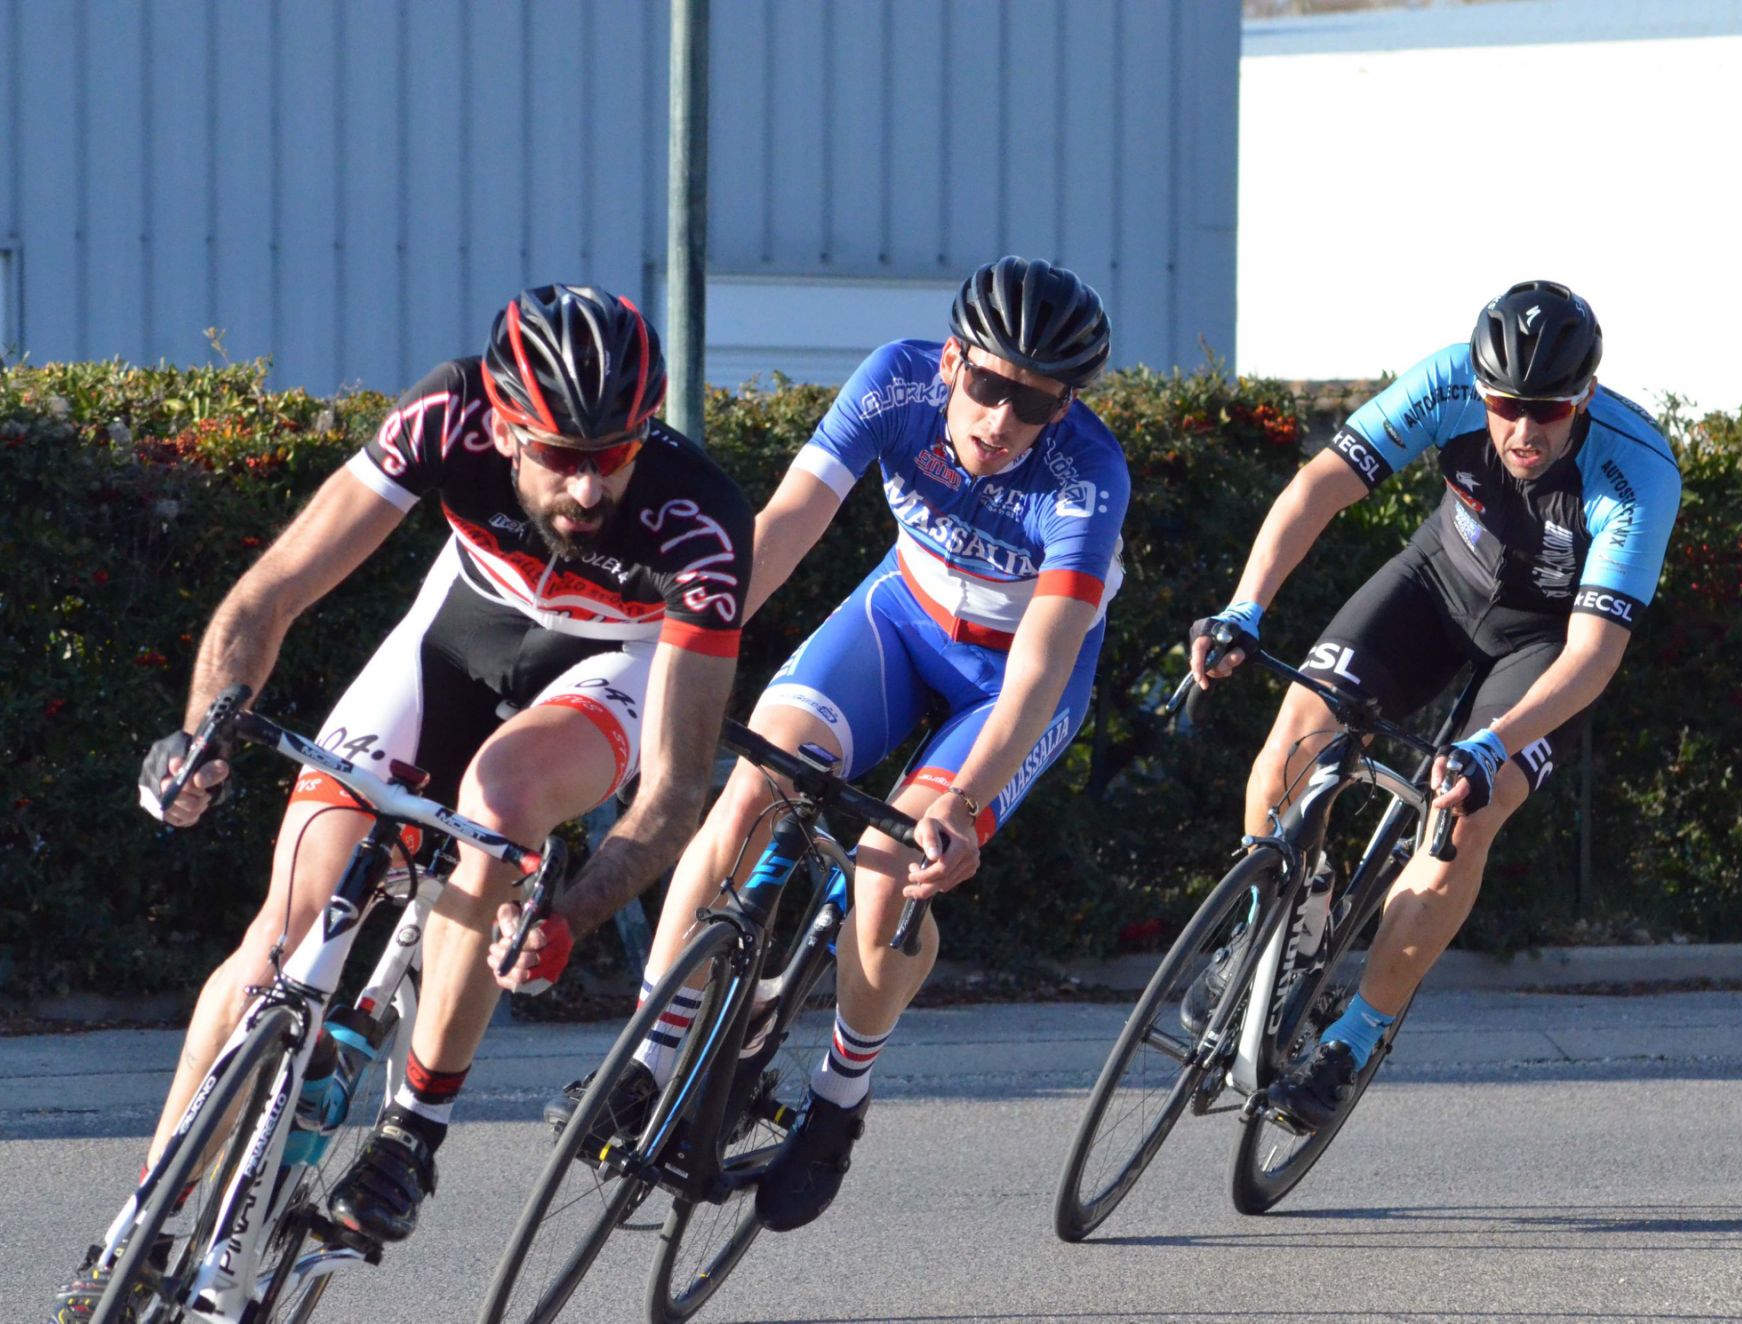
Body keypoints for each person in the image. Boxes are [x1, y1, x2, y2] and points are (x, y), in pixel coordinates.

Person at [53, 286, 753, 1321]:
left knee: (500, 800)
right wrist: (203, 733)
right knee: (279, 942)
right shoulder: (445, 414)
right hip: (455, 634)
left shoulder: (699, 520)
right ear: (502, 425)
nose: (590, 483)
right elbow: (272, 591)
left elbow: (678, 786)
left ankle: (413, 1128)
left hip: (611, 665)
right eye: (561, 454)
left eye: (615, 452)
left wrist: (569, 913)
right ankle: (144, 1227)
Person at [512, 256, 1128, 1233]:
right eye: (987, 384)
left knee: (889, 870)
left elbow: (1040, 669)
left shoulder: (1087, 476)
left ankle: (838, 1103)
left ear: (1065, 407)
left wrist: (961, 803)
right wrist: (668, 659)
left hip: (1008, 681)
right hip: (900, 618)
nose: (1002, 419)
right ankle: (647, 1060)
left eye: (1035, 402)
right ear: (952, 360)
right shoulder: (895, 381)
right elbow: (785, 527)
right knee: (752, 786)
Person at [1188, 280, 1681, 1130]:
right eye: (1504, 405)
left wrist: (1495, 745)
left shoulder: (1636, 470)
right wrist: (1244, 607)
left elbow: (1594, 654)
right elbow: (1319, 487)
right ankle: (1283, 919)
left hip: (1546, 645)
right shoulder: (1445, 381)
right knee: (1293, 744)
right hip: (1438, 585)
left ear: (1586, 395)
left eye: (1548, 410)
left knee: (1464, 817)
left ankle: (1353, 1040)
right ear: (1478, 386)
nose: (1523, 430)